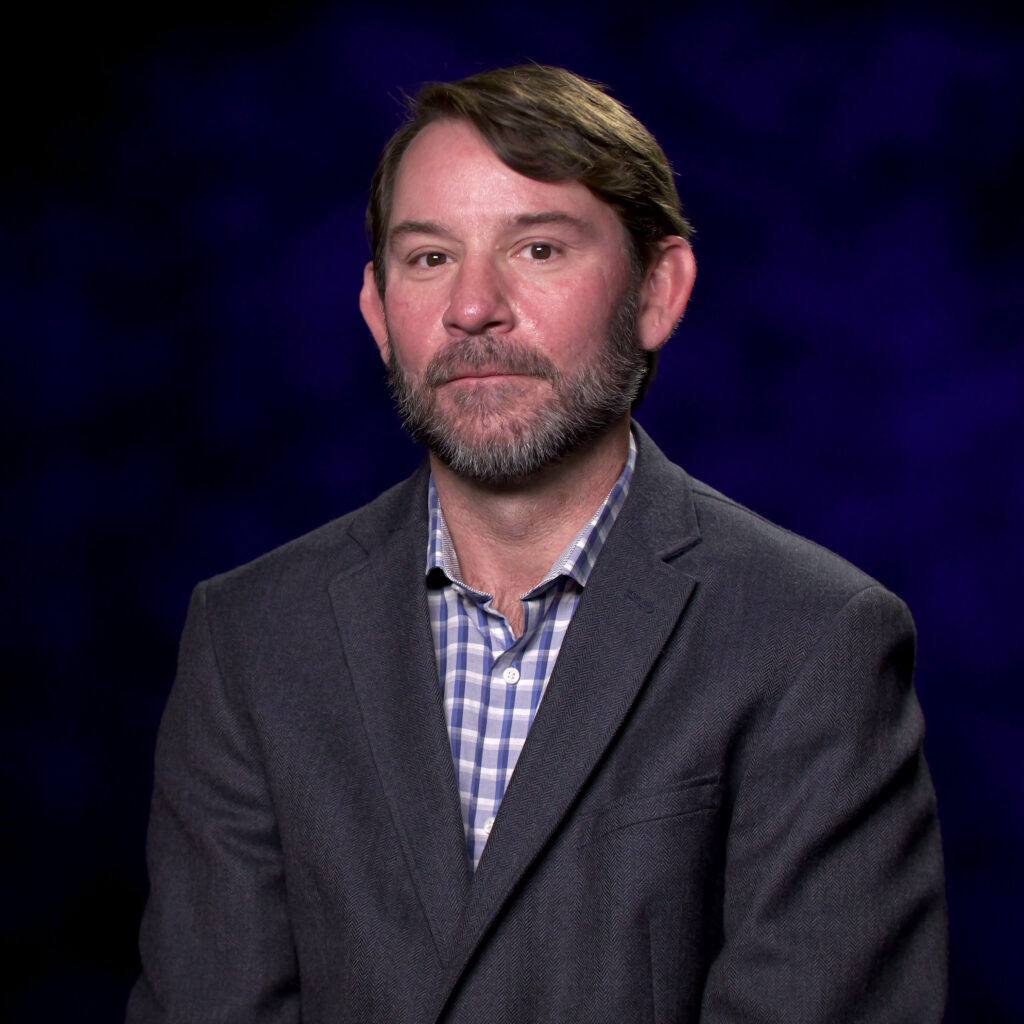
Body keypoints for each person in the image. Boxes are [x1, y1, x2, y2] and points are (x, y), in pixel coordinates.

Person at [127, 65, 947, 1023]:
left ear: (658, 291)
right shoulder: (251, 635)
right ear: (377, 312)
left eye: (539, 249)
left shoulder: (814, 639)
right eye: (429, 258)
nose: (474, 307)